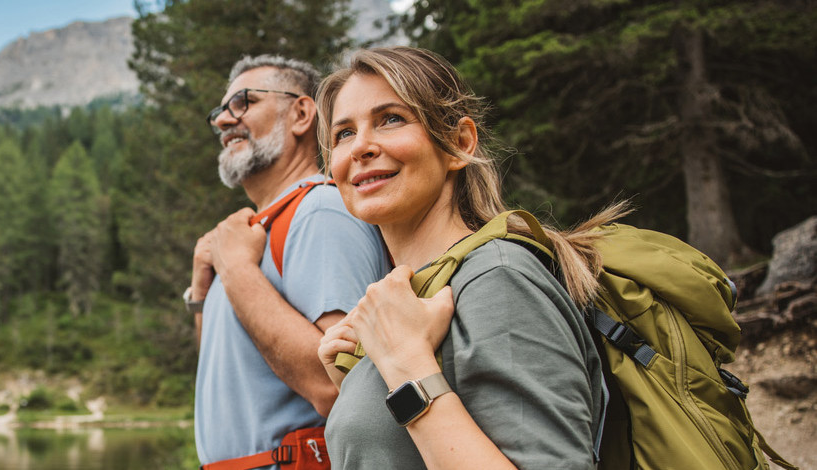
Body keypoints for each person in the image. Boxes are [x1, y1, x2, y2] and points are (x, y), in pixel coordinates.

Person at [314, 46, 615, 468]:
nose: (360, 146)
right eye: (343, 133)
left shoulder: (499, 280)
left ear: (459, 143)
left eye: (391, 119)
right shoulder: (407, 303)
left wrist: (403, 363)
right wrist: (357, 376)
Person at [189, 55, 389, 469]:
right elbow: (227, 373)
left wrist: (237, 269)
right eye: (220, 111)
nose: (225, 120)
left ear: (301, 113)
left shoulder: (321, 210)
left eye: (244, 102)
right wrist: (201, 294)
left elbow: (336, 385)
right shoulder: (248, 235)